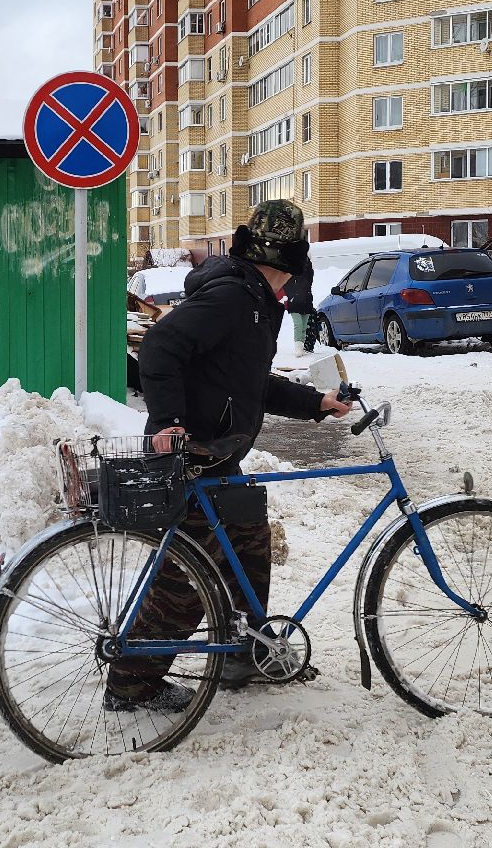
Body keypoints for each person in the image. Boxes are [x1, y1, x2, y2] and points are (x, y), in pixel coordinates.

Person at [105, 200, 353, 713]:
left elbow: (248, 383)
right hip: (190, 453)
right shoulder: (235, 298)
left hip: (218, 456)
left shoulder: (255, 301)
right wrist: (169, 422)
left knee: (247, 543)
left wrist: (316, 404)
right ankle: (132, 683)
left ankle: (248, 650)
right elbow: (159, 347)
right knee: (184, 579)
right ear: (290, 262)